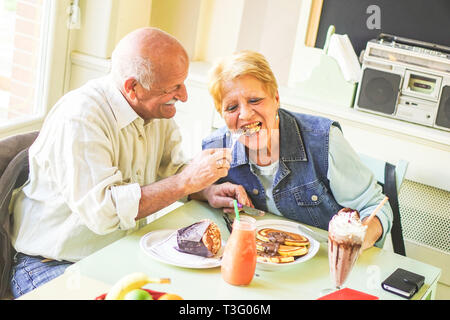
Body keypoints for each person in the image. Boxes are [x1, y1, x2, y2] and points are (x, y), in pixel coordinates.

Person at [9, 27, 251, 298]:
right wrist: (186, 181)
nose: (183, 96)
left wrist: (206, 189)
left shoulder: (157, 112)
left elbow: (170, 170)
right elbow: (104, 212)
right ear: (133, 87)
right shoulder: (81, 118)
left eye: (182, 83)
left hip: (117, 255)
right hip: (52, 265)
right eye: (173, 87)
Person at [196, 50, 393, 250]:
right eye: (231, 108)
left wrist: (355, 241)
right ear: (221, 114)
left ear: (276, 98)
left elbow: (378, 208)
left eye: (255, 100)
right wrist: (207, 192)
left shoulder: (324, 141)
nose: (245, 114)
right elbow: (190, 188)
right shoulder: (217, 146)